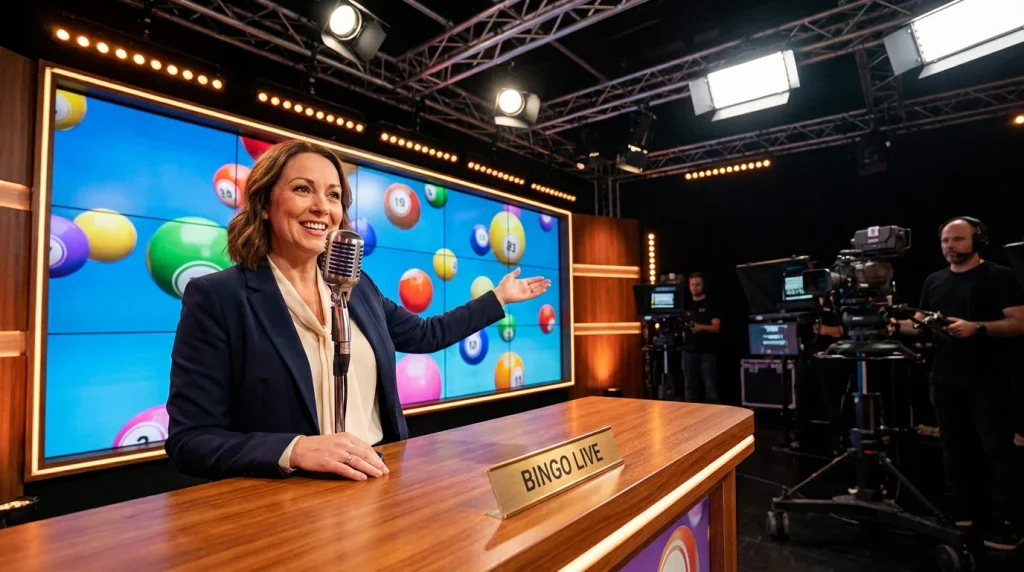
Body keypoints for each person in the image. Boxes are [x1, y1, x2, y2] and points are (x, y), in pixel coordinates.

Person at [165, 140, 551, 482]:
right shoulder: (218, 297)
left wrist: (497, 299)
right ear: (265, 203)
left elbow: (425, 334)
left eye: (334, 196)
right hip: (285, 507)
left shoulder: (357, 286)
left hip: (380, 483)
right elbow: (192, 440)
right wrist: (294, 449)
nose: (322, 207)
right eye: (302, 189)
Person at [892, 216, 1024, 551]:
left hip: (989, 379)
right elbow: (919, 325)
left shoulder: (999, 276)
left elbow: (1019, 322)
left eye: (958, 239)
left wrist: (976, 328)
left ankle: (1006, 522)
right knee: (954, 449)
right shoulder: (934, 281)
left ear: (978, 240)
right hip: (945, 378)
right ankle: (962, 515)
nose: (950, 246)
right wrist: (893, 325)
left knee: (997, 450)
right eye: (945, 241)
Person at [682, 273, 721, 403]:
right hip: (688, 351)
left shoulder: (711, 303)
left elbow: (716, 327)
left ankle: (713, 418)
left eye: (697, 284)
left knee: (710, 387)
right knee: (689, 387)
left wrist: (701, 327)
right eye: (692, 285)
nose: (695, 287)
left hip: (707, 351)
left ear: (703, 285)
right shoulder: (685, 305)